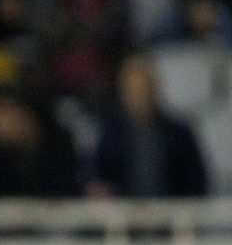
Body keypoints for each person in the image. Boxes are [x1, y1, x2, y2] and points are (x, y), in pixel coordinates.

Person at [90, 55, 209, 198]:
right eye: (133, 90)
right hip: (123, 209)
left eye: (144, 89)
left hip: (172, 208)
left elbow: (197, 181)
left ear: (155, 89)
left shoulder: (179, 133)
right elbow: (98, 175)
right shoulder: (111, 134)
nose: (139, 96)